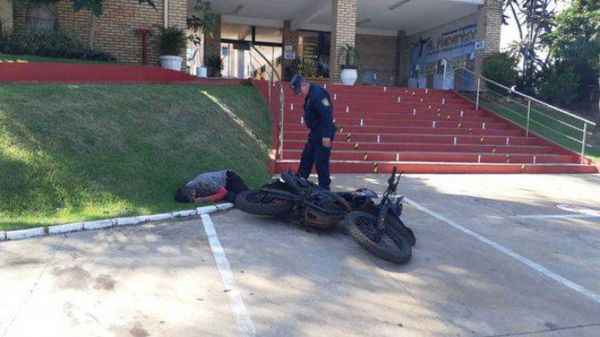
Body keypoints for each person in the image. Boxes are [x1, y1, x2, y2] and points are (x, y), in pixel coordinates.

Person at [289, 74, 336, 190]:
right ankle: (300, 179)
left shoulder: (319, 94)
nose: (299, 94)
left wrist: (326, 136)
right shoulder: (310, 94)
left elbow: (327, 114)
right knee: (307, 156)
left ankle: (325, 187)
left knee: (321, 161)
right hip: (315, 132)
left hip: (323, 132)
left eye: (299, 91)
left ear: (303, 85)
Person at [175, 170, 248, 203]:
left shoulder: (206, 183)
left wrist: (205, 199)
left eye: (192, 199)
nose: (193, 200)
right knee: (232, 198)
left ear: (192, 192)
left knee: (246, 196)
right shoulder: (189, 186)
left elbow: (223, 192)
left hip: (230, 179)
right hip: (221, 186)